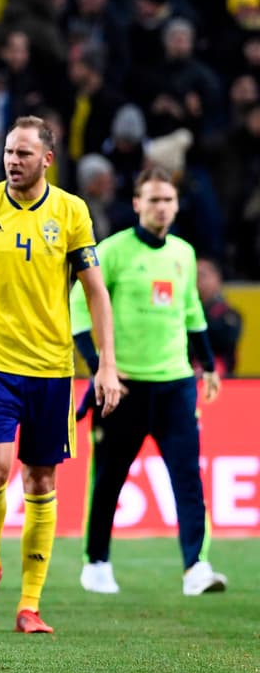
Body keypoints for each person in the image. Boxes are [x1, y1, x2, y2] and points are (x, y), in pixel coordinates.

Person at [0, 115, 122, 635]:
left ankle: (30, 604)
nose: (13, 161)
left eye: (24, 154)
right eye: (10, 152)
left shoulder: (71, 212)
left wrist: (106, 363)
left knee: (40, 479)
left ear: (47, 160)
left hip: (52, 368)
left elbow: (96, 291)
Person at [70, 167, 228, 596]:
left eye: (168, 200)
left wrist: (209, 365)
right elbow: (79, 308)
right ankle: (97, 562)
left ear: (177, 205)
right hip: (124, 386)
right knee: (109, 479)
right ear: (137, 203)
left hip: (175, 383)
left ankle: (196, 567)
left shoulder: (183, 253)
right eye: (153, 199)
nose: (162, 207)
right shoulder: (113, 251)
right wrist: (100, 365)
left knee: (188, 480)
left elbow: (192, 312)